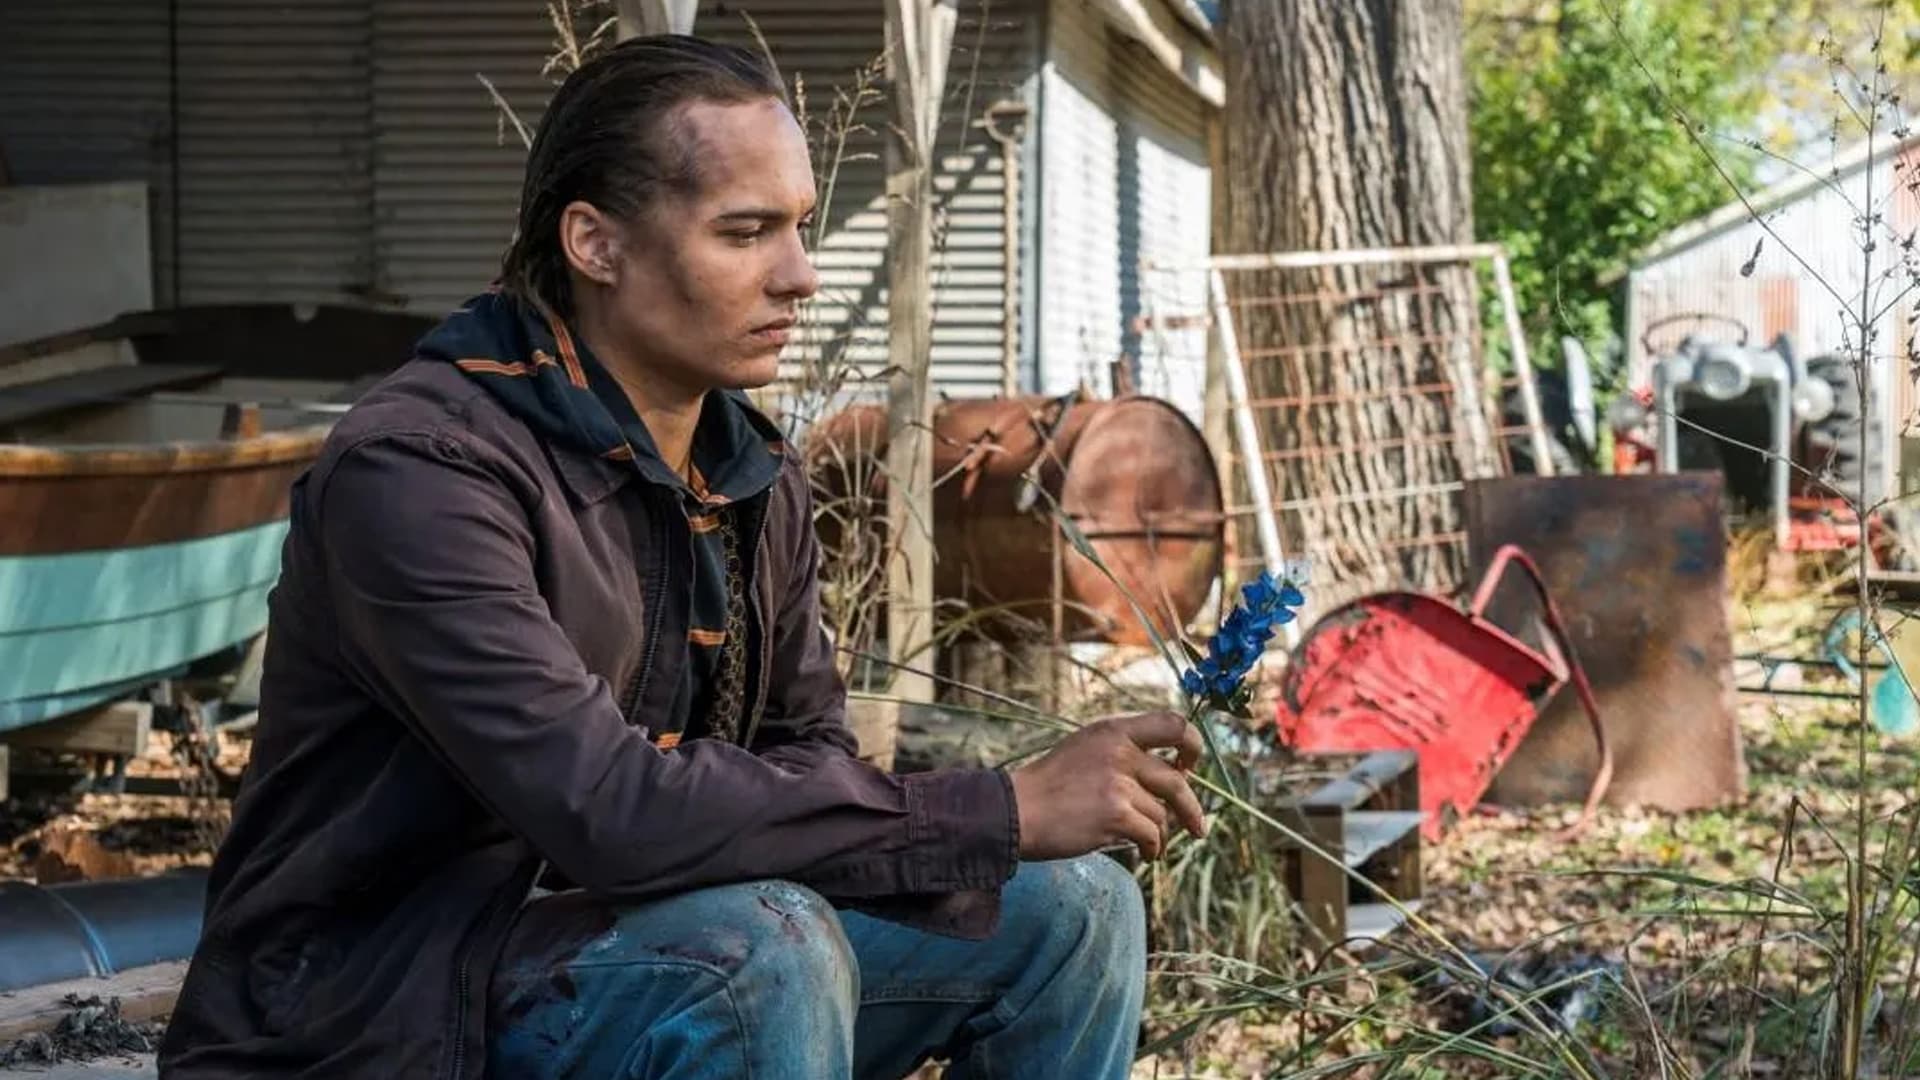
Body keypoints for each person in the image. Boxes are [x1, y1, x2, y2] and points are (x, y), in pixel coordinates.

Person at [157, 34, 1206, 1080]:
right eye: (745, 232)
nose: (800, 276)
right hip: (381, 996)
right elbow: (607, 810)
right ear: (594, 243)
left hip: (636, 943)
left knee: (1073, 907)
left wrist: (858, 826)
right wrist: (1004, 806)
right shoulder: (423, 472)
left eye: (798, 227)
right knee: (755, 952)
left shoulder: (747, 467)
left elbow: (806, 754)